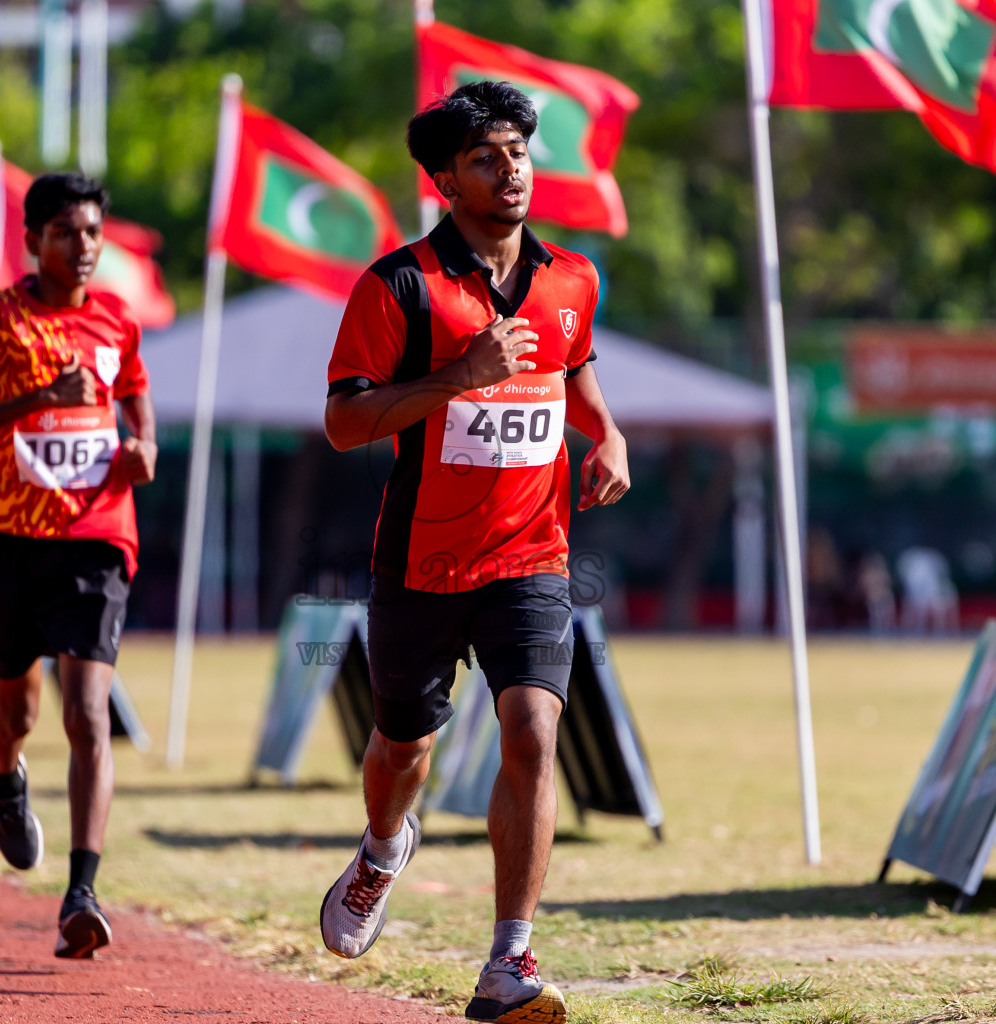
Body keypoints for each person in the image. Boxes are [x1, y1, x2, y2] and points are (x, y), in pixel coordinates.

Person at [320, 81, 629, 1024]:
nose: (512, 170)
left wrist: (606, 435)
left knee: (535, 730)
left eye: (520, 152)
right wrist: (458, 375)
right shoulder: (399, 286)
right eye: (488, 157)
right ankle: (380, 850)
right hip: (420, 563)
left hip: (532, 555)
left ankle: (508, 961)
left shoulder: (572, 279)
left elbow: (573, 371)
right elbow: (343, 422)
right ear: (446, 178)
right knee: (402, 744)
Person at [0, 173, 156, 959]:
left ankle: (82, 892)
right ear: (32, 241)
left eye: (93, 232)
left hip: (95, 533)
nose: (83, 247)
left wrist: (142, 446)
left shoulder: (117, 319)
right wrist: (36, 399)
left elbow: (133, 391)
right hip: (2, 536)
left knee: (87, 711)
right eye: (65, 232)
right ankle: (5, 773)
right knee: (19, 713)